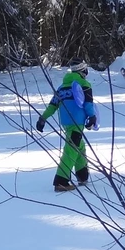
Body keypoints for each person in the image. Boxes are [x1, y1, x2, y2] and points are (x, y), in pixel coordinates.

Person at [35, 59, 96, 192]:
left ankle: (82, 176)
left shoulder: (62, 87)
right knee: (71, 150)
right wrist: (92, 116)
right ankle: (61, 182)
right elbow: (88, 103)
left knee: (79, 147)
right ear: (83, 70)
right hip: (77, 122)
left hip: (66, 123)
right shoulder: (84, 84)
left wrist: (42, 118)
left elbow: (53, 105)